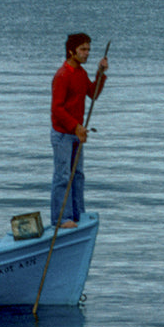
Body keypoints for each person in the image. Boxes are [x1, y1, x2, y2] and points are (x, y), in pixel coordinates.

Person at [51, 32, 107, 228]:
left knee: (78, 175)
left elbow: (93, 94)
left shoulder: (81, 74)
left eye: (88, 50)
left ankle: (76, 213)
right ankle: (61, 218)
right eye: (83, 49)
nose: (87, 53)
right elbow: (56, 109)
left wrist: (100, 74)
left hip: (76, 133)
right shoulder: (62, 75)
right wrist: (75, 126)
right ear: (71, 51)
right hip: (63, 134)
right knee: (63, 176)